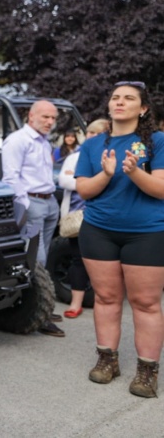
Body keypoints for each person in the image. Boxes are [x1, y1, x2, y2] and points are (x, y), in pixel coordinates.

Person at [75, 81, 164, 398]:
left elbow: (161, 188)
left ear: (143, 109)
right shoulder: (93, 144)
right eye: (115, 97)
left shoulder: (156, 141)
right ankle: (107, 360)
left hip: (148, 233)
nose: (120, 102)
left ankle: (147, 370)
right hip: (99, 230)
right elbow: (84, 190)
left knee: (146, 303)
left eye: (129, 98)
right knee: (106, 299)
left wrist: (134, 172)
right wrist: (107, 174)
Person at [1, 99, 65, 337]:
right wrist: (26, 205)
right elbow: (11, 177)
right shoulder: (18, 141)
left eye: (53, 118)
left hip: (48, 202)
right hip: (33, 203)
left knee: (43, 258)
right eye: (46, 117)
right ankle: (40, 314)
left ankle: (42, 305)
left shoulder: (44, 142)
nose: (50, 122)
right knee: (34, 260)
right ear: (31, 116)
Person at [57, 118, 109, 318]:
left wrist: (82, 179)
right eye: (90, 132)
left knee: (106, 261)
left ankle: (104, 302)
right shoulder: (75, 156)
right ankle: (75, 303)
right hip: (78, 218)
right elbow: (64, 180)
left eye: (98, 133)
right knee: (78, 260)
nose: (92, 137)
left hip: (104, 216)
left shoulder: (111, 155)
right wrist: (99, 179)